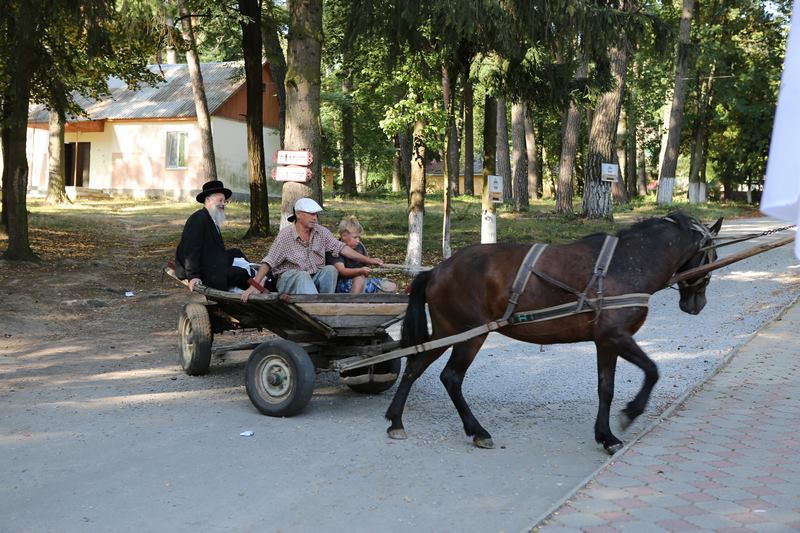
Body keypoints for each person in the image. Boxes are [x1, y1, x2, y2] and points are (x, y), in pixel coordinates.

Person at [241, 198, 384, 301]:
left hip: (313, 278)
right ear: (299, 215)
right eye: (311, 214)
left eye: (316, 214)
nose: (315, 218)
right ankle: (318, 307)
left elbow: (342, 248)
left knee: (330, 270)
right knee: (302, 275)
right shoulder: (285, 235)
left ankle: (325, 303)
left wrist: (369, 260)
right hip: (290, 280)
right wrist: (254, 285)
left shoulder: (321, 232)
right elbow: (269, 262)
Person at [174, 180, 251, 291]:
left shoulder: (210, 218)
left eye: (224, 201)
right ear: (208, 200)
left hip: (210, 262)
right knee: (240, 273)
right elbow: (190, 250)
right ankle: (256, 288)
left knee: (236, 253)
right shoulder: (198, 219)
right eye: (220, 200)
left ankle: (256, 275)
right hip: (203, 270)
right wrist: (193, 276)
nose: (223, 204)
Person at [327, 215, 397, 294]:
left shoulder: (359, 246)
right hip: (342, 284)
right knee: (359, 279)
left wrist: (372, 263)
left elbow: (366, 264)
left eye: (359, 237)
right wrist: (360, 271)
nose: (358, 240)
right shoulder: (335, 249)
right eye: (355, 237)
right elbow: (342, 271)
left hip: (362, 279)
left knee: (392, 286)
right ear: (344, 236)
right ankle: (352, 301)